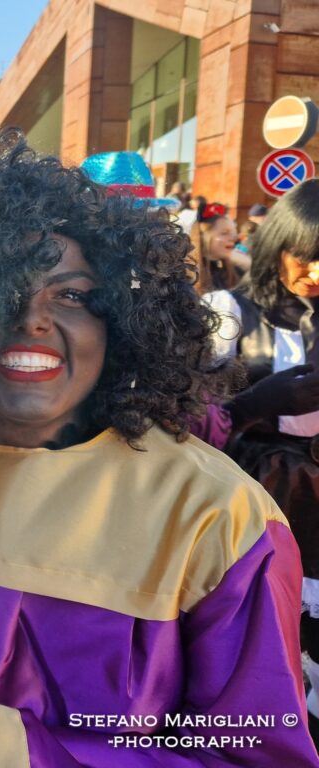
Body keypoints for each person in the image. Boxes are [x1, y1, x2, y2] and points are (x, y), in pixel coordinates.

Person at [0, 134, 317, 766]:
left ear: (123, 321)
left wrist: (0, 750)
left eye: (72, 295)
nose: (32, 319)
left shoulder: (216, 515)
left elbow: (253, 756)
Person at [204, 178, 319, 726]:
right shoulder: (227, 312)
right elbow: (180, 417)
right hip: (254, 493)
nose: (316, 272)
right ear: (277, 245)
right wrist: (254, 403)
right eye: (306, 256)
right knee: (259, 633)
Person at [191, 201, 244, 292]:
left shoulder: (235, 272)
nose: (233, 238)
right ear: (204, 237)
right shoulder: (185, 277)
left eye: (233, 232)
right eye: (224, 233)